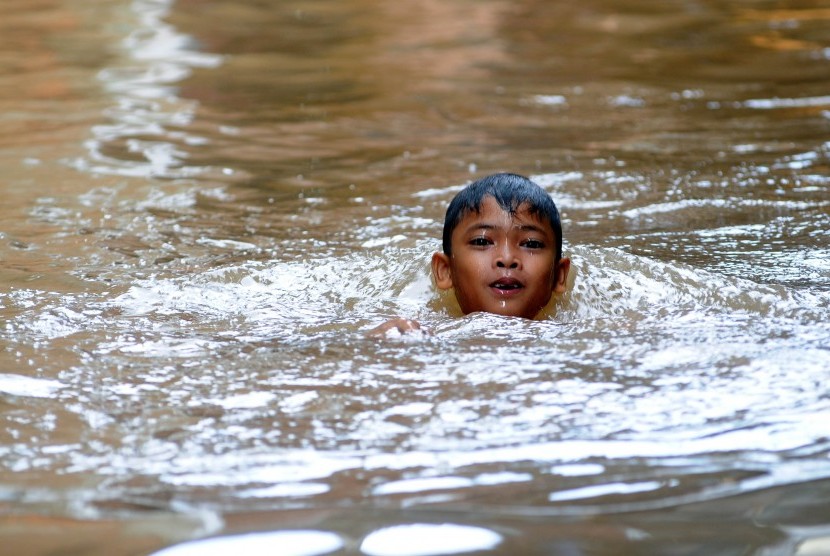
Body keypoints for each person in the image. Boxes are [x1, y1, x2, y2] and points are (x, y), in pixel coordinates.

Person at [370, 172, 571, 337]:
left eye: (531, 244)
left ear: (559, 275)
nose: (507, 258)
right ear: (445, 271)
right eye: (482, 241)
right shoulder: (425, 335)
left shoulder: (573, 336)